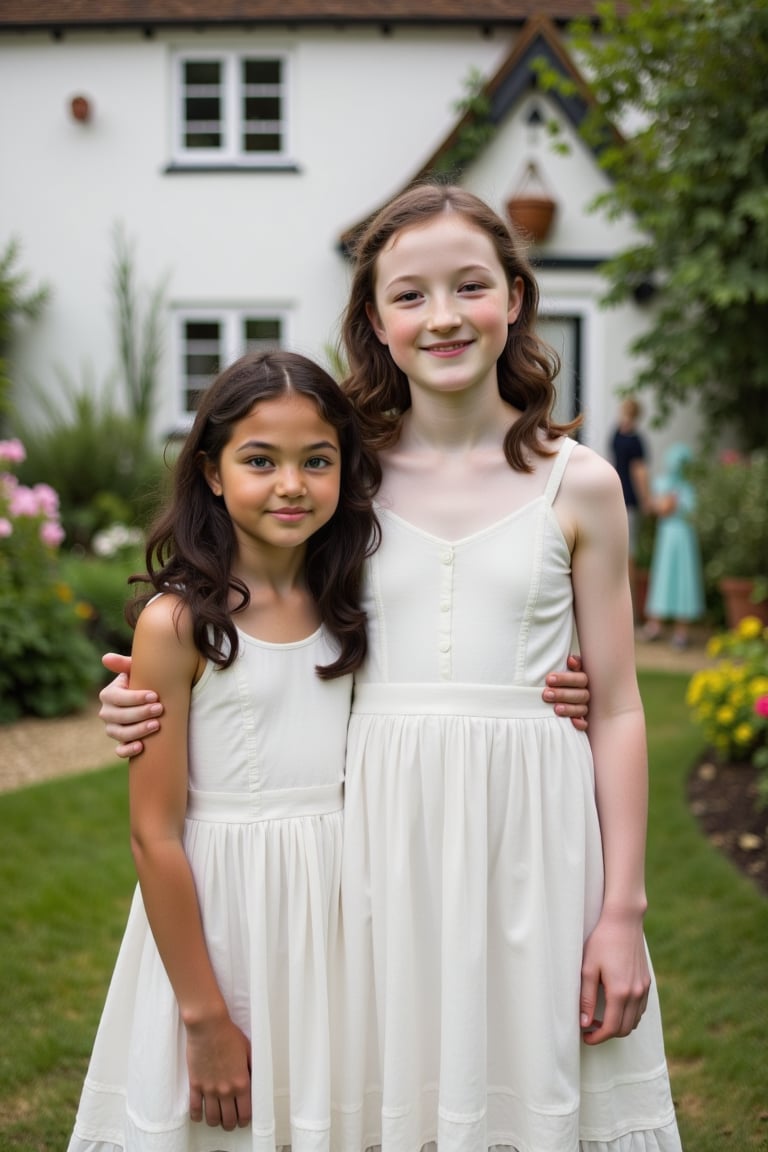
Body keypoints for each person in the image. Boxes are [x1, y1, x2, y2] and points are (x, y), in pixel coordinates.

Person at [98, 181, 681, 1151]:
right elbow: (246, 618)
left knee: (527, 1086)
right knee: (389, 1098)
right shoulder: (340, 473)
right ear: (374, 318)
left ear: (516, 297)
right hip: (372, 839)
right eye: (409, 295)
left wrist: (622, 908)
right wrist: (143, 701)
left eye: (470, 287)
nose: (443, 316)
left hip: (533, 833)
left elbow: (617, 705)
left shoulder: (582, 483)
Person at [68, 350, 380, 1152]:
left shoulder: (357, 600)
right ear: (210, 472)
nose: (291, 484)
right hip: (225, 911)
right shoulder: (179, 625)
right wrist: (203, 1016)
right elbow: (154, 833)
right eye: (259, 460)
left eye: (318, 460)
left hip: (342, 910)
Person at [642, 441, 705, 648]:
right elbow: (658, 508)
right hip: (667, 536)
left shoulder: (688, 487)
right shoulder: (662, 483)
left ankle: (681, 631)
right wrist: (666, 502)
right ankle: (655, 625)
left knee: (683, 580)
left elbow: (673, 507)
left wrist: (667, 502)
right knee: (663, 577)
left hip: (684, 536)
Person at [610, 396, 652, 622]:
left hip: (625, 501)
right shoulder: (624, 435)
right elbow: (634, 470)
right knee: (623, 554)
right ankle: (626, 610)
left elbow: (638, 471)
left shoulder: (627, 437)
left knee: (627, 555)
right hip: (622, 500)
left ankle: (631, 611)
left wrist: (645, 499)